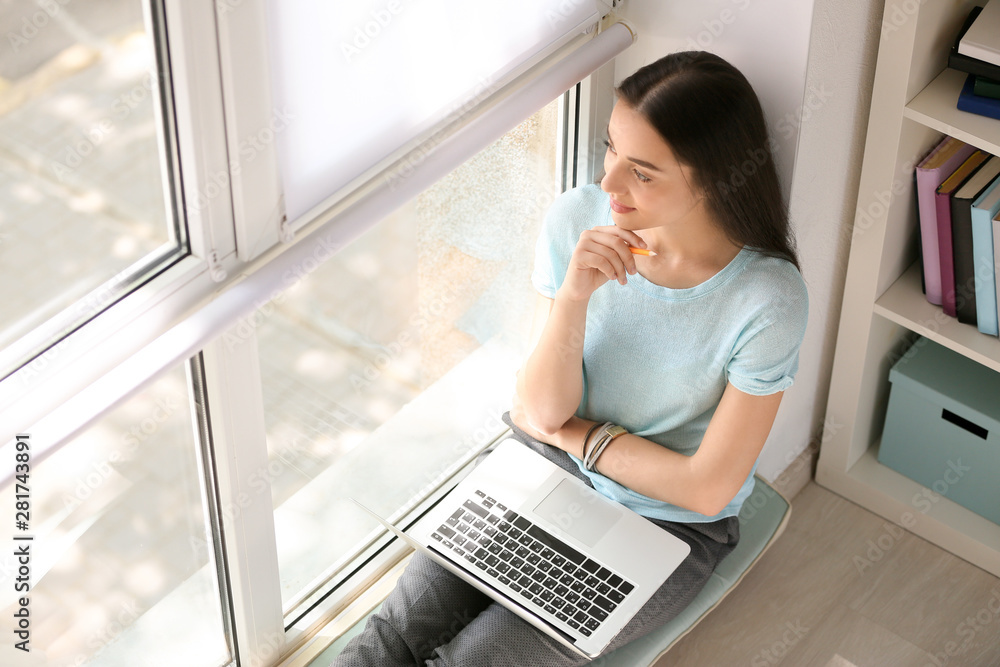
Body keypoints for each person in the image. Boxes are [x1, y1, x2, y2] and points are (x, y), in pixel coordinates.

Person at [332, 50, 808, 667]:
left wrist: (578, 435)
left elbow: (707, 489)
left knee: (474, 661)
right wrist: (575, 294)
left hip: (664, 528)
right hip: (540, 473)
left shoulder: (767, 298)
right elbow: (537, 410)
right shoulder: (579, 220)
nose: (609, 183)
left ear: (713, 177)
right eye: (612, 149)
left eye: (642, 171)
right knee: (394, 636)